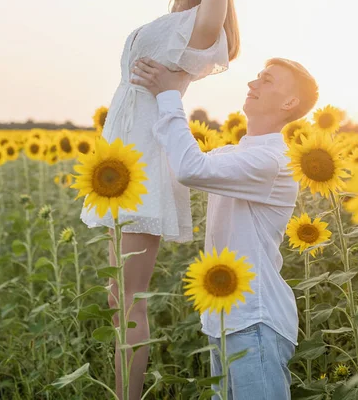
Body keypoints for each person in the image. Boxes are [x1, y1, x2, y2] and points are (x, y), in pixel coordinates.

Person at [80, 0, 305, 400]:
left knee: (128, 299)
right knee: (117, 297)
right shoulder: (178, 20)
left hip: (144, 165)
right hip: (121, 157)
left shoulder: (198, 32)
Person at [131, 55, 318, 400]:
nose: (252, 84)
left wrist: (169, 95)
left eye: (267, 80)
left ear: (290, 102)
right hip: (226, 317)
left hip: (254, 319)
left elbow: (190, 169)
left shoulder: (272, 162)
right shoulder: (237, 154)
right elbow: (179, 167)